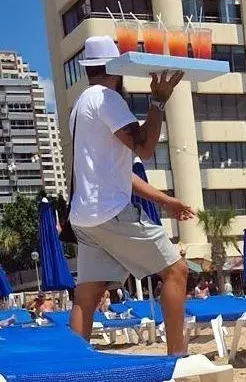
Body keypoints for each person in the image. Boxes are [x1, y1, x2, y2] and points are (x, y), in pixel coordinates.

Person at [69, 36, 193, 355]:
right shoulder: (108, 99)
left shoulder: (79, 106)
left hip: (84, 218)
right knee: (176, 270)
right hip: (110, 213)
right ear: (116, 67)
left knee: (87, 295)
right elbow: (146, 148)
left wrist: (165, 201)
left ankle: (69, 367)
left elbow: (118, 172)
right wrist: (158, 102)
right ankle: (177, 358)